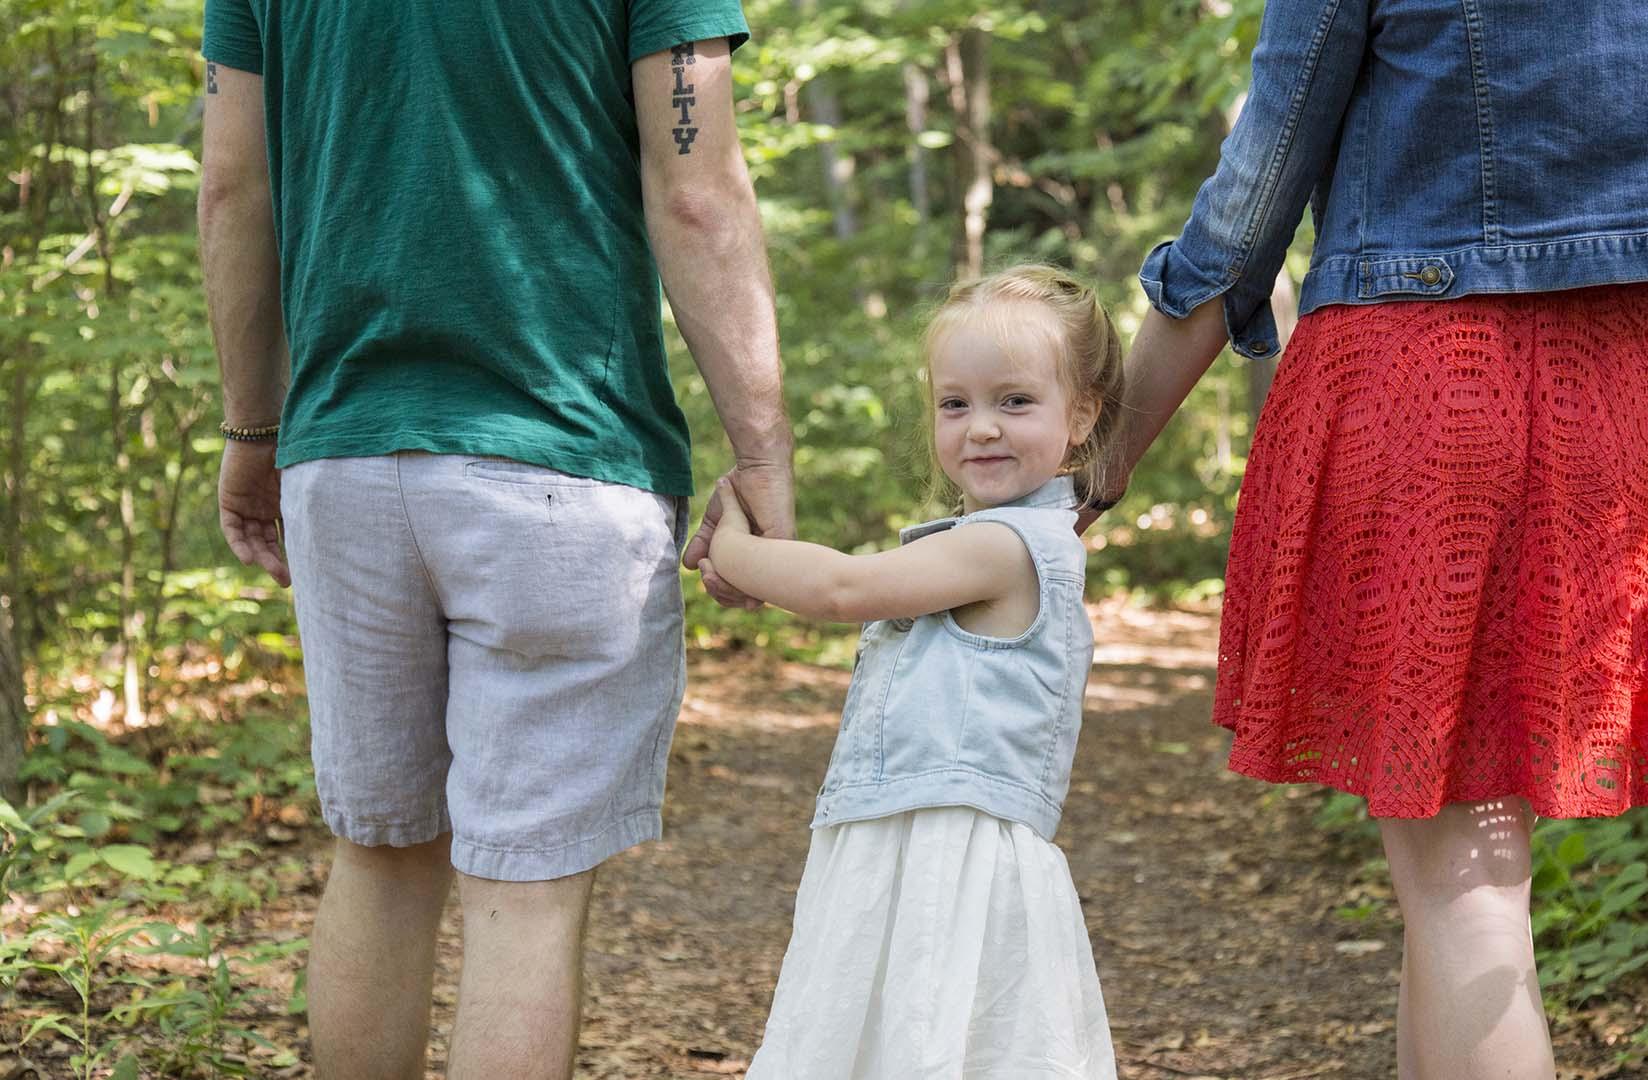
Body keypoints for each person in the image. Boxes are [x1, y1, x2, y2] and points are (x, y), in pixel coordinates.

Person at [1086, 1, 1648, 1077]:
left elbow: (1250, 203)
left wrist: (1109, 452)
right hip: (1631, 401)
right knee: (1453, 875)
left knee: (1463, 882)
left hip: (1420, 388)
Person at [197, 1, 791, 1075]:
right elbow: (698, 194)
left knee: (379, 859)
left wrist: (252, 427)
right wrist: (761, 455)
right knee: (526, 891)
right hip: (565, 459)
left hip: (345, 459)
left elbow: (236, 188)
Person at [702, 266, 1122, 1078]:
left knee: (939, 1043)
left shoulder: (1009, 546)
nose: (982, 428)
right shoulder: (983, 538)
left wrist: (732, 544)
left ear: (1082, 414)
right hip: (898, 844)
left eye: (1015, 401)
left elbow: (842, 588)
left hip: (950, 862)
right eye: (955, 403)